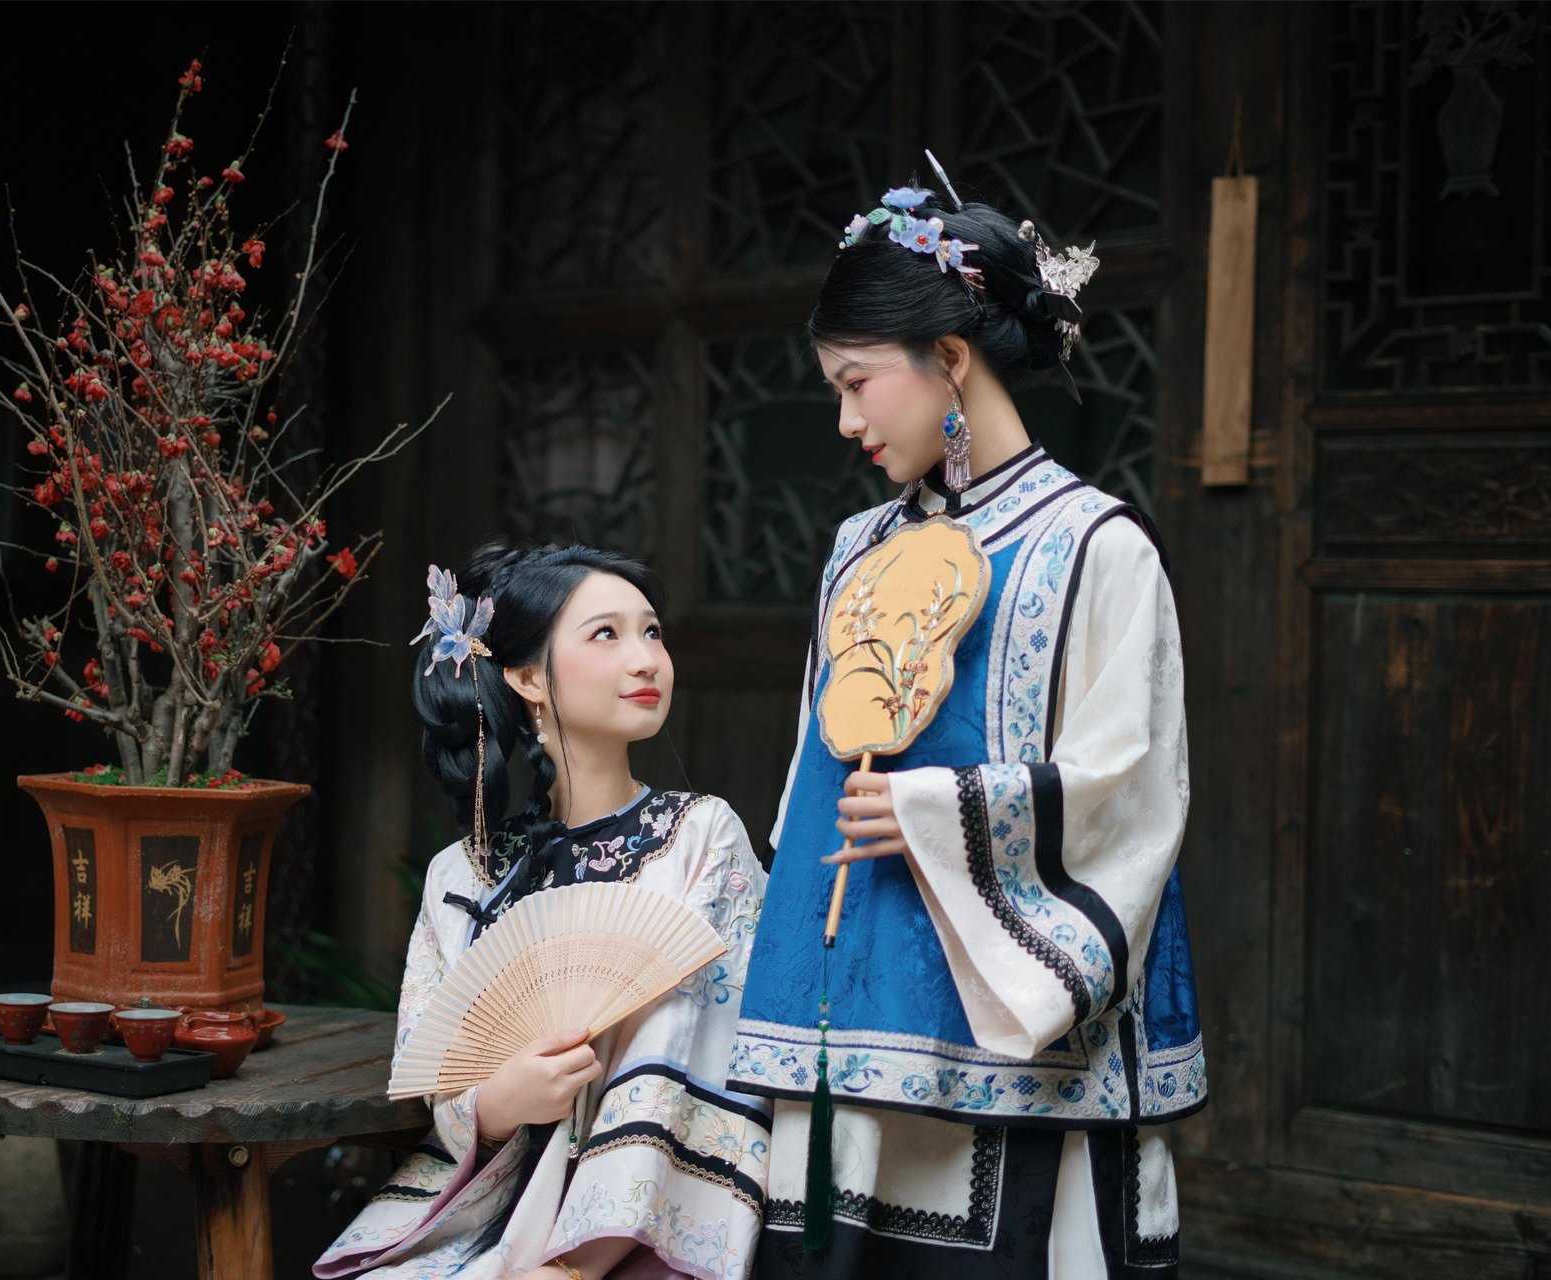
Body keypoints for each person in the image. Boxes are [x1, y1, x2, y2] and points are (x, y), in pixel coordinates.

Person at [728, 168, 1204, 1277]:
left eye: (857, 383)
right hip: (849, 1022)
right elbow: (812, 772)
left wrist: (938, 810)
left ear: (949, 356)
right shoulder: (856, 547)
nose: (844, 421)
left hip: (1016, 1033)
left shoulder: (1096, 545)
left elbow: (1130, 790)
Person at [317, 543, 770, 1280]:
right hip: (496, 1209)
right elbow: (433, 1069)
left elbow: (702, 1055)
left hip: (651, 1225)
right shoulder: (460, 876)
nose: (646, 659)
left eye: (652, 632)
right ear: (527, 676)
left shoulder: (700, 837)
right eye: (607, 634)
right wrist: (494, 1105)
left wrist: (578, 1265)